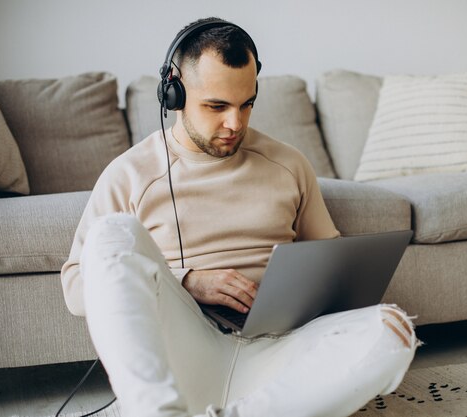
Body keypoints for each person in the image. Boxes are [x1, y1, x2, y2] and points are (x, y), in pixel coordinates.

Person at [61, 17, 418, 417]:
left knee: (392, 330)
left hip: (279, 348)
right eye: (216, 106)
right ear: (175, 92)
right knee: (113, 232)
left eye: (246, 104)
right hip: (187, 347)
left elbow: (332, 263)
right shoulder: (130, 173)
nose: (236, 124)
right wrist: (188, 281)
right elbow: (77, 286)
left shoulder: (289, 163)